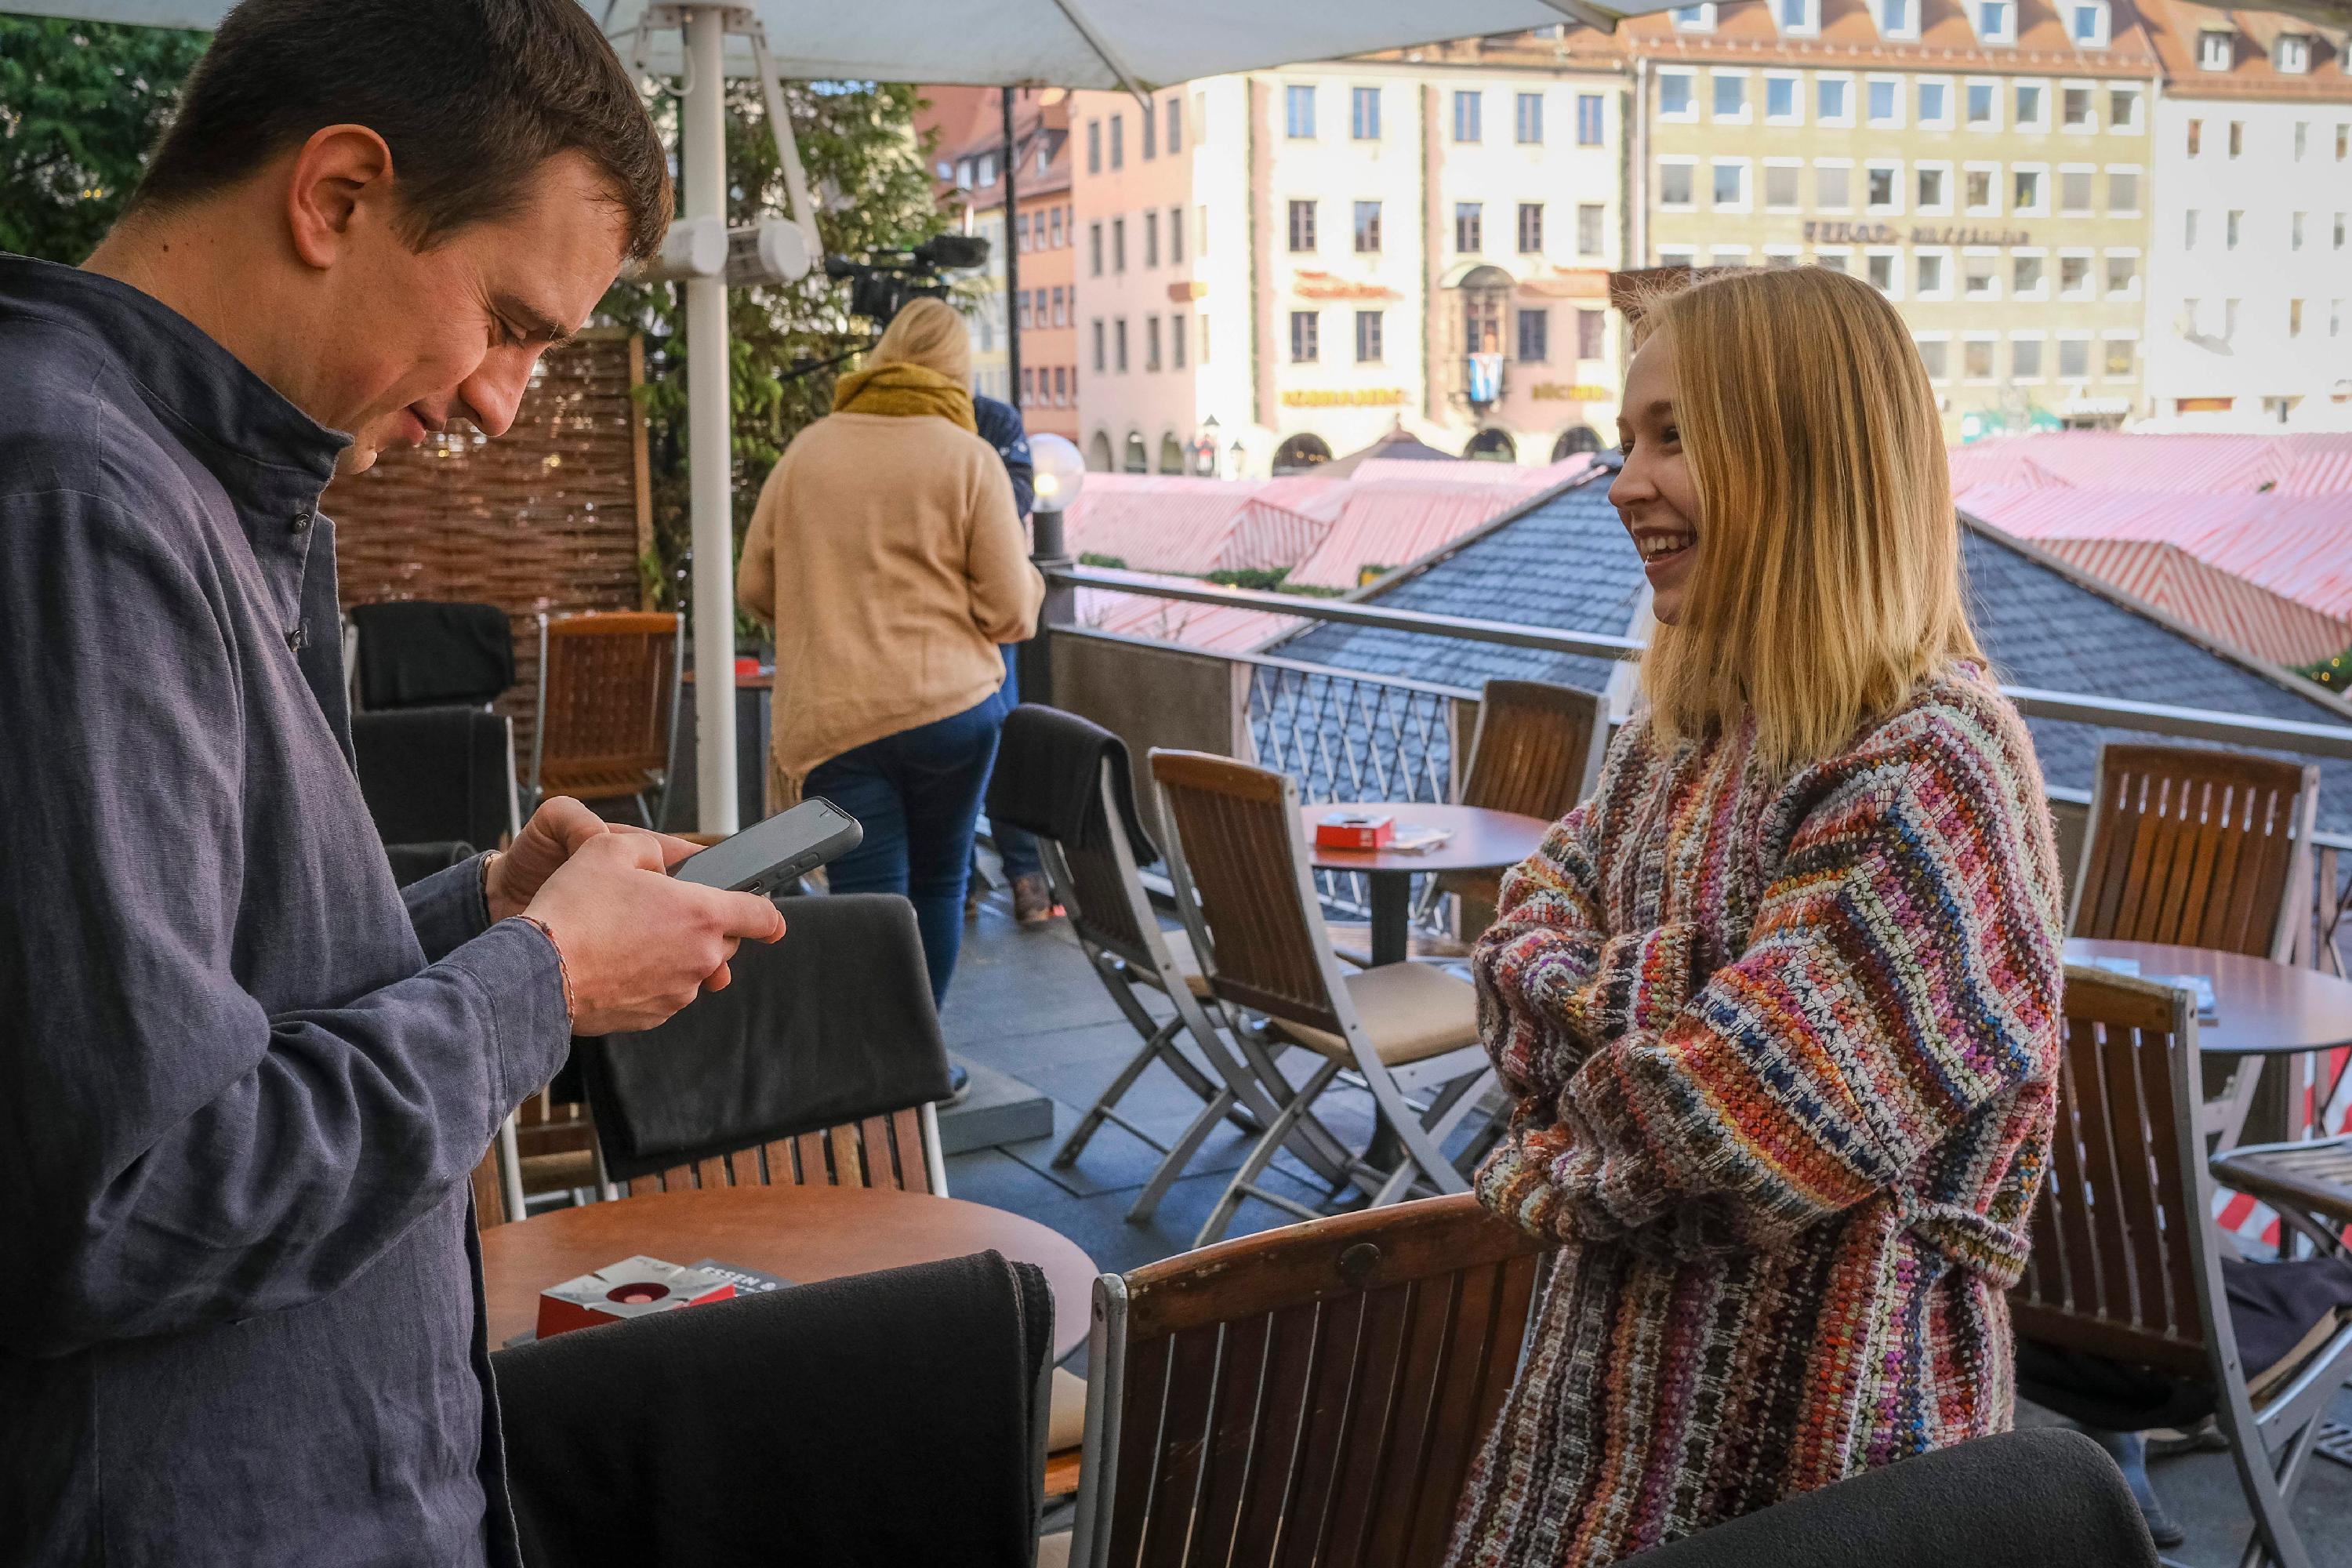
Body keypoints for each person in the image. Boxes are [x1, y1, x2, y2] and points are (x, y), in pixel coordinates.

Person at [0, 2, 790, 1563]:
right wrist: (543, 981)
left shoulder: (186, 493)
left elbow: (212, 1004)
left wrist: (477, 912)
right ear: (338, 194)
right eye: (508, 318)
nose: (501, 400)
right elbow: (132, 1194)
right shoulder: (79, 505)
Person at [1443, 266, 2067, 1568]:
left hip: (1822, 1483)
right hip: (1598, 1445)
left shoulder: (1932, 766)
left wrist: (1602, 1023)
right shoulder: (1685, 735)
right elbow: (1511, 945)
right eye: (1628, 438)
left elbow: (1718, 1132)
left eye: (1674, 436)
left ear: (1806, 455)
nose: (1624, 482)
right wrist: (1694, 994)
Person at [738, 299, 1044, 1007]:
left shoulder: (810, 450)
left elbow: (755, 587)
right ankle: (923, 1071)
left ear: (882, 357)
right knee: (939, 883)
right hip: (952, 713)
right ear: (959, 372)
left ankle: (878, 1085)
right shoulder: (970, 456)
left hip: (837, 720)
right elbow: (1010, 612)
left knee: (866, 902)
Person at [971, 389, 1058, 927]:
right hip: (969, 612)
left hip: (988, 613)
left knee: (1000, 740)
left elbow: (1020, 497)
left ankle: (1023, 875)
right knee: (981, 744)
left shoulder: (993, 418)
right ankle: (975, 879)